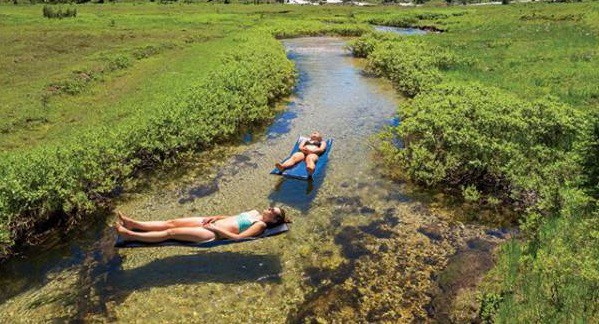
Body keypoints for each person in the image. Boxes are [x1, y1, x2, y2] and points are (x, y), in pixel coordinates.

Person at [115, 207, 289, 243]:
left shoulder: (261, 225)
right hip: (212, 222)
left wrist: (215, 228)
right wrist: (214, 217)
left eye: (273, 212)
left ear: (273, 220)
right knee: (172, 222)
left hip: (213, 233)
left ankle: (131, 235)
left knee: (171, 232)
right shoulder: (254, 213)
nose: (269, 209)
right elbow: (232, 216)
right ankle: (133, 223)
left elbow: (238, 238)